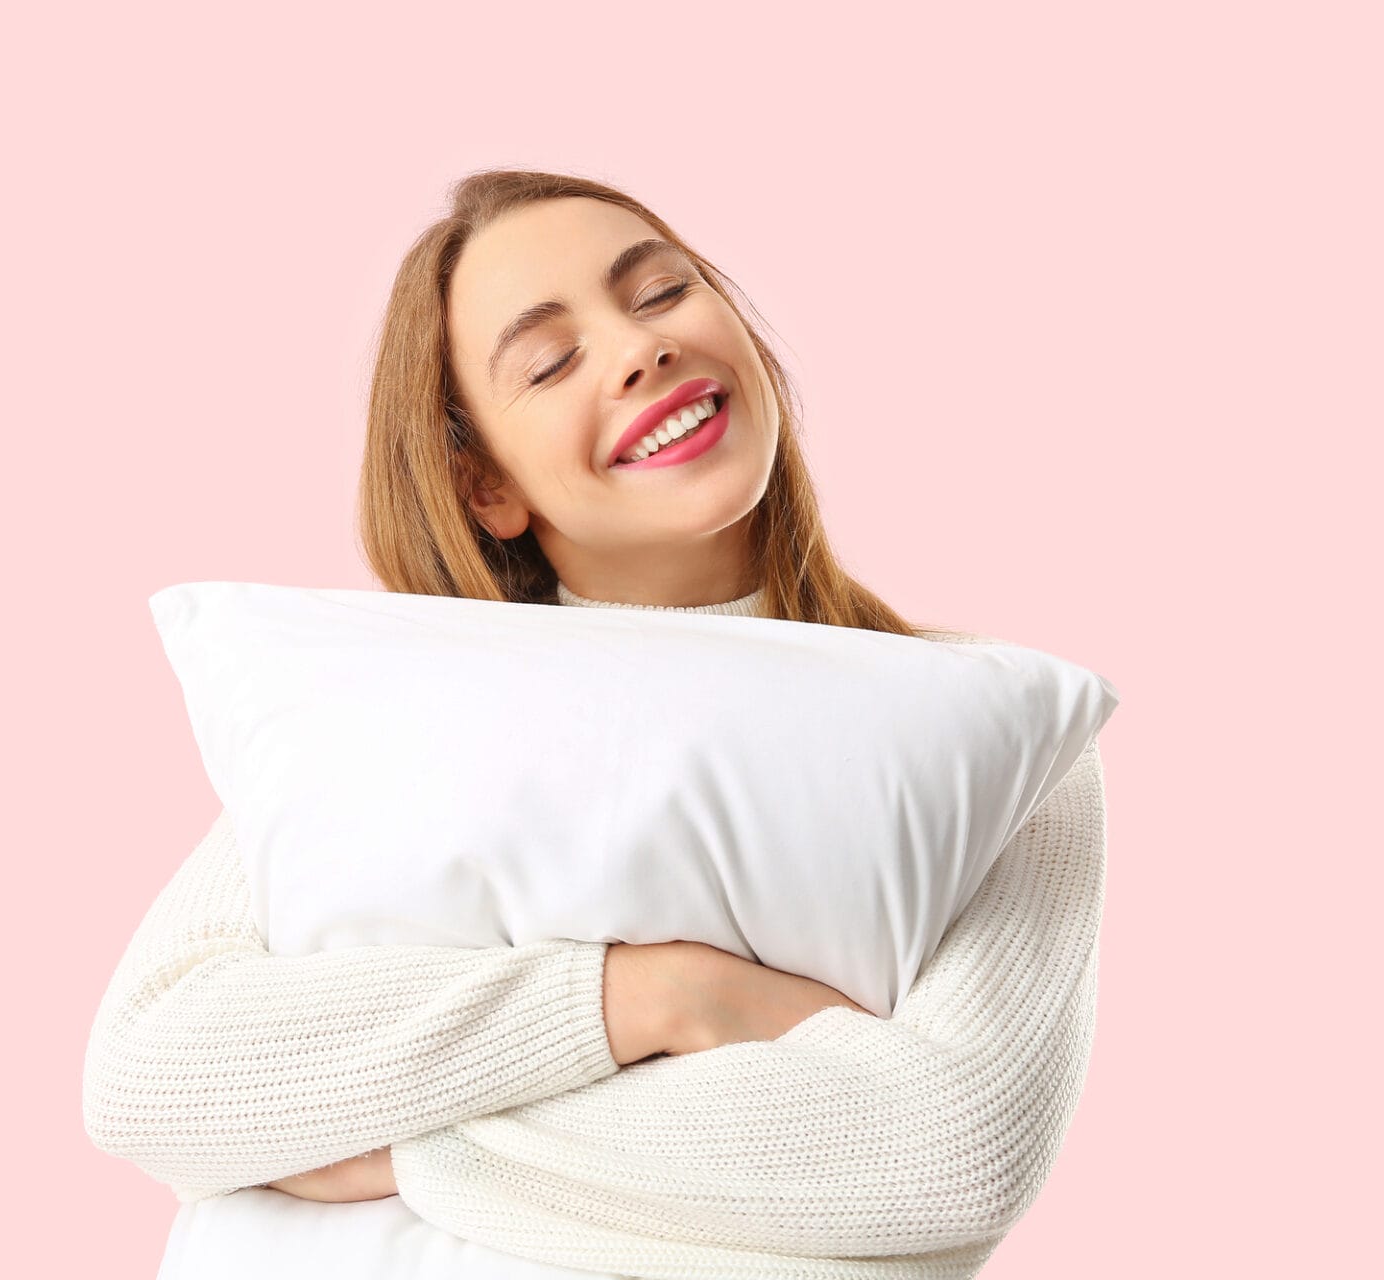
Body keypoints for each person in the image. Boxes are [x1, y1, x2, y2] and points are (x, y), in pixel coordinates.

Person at [83, 169, 1108, 1277]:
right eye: (550, 360)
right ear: (486, 488)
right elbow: (158, 1076)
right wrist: (653, 996)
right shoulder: (398, 709)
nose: (638, 348)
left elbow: (947, 1150)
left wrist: (395, 1143)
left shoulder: (980, 723)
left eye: (663, 292)